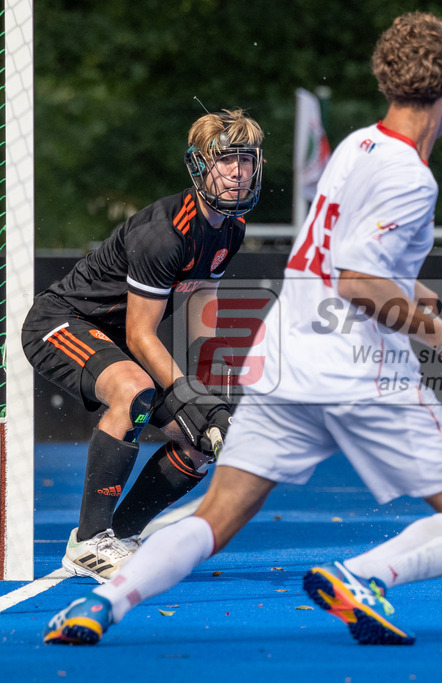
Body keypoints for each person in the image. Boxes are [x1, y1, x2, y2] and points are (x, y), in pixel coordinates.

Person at [44, 11, 442, 647]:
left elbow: (350, 261)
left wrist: (413, 292)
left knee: (215, 511)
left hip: (285, 361)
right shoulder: (412, 177)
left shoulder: (355, 148)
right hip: (355, 371)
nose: (237, 172)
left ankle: (105, 602)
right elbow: (357, 282)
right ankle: (358, 577)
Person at [21, 108, 264, 582]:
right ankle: (88, 544)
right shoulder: (164, 232)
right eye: (226, 160)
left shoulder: (230, 232)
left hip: (112, 341)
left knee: (198, 444)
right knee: (134, 390)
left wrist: (214, 398)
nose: (238, 172)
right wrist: (189, 395)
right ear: (200, 166)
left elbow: (202, 313)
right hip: (60, 323)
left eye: (247, 161)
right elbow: (139, 335)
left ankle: (123, 537)